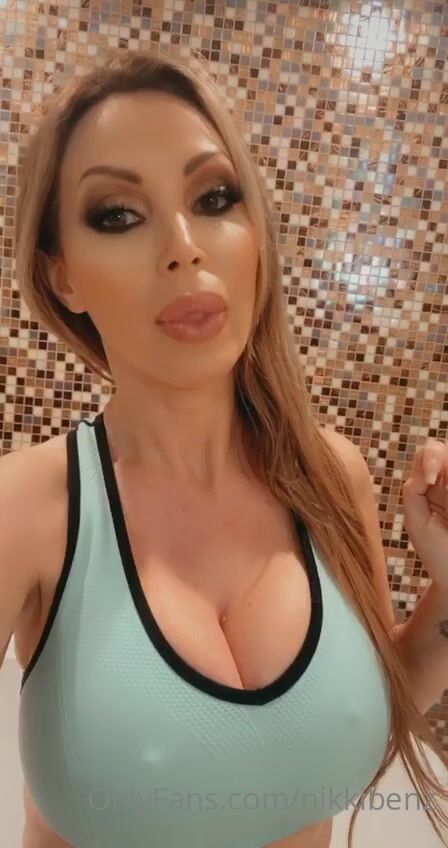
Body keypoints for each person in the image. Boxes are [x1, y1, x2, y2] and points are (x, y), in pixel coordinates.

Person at [3, 47, 448, 848]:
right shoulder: (29, 509)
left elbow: (363, 720)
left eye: (214, 198)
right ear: (63, 276)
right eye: (118, 215)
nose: (183, 246)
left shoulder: (331, 476)